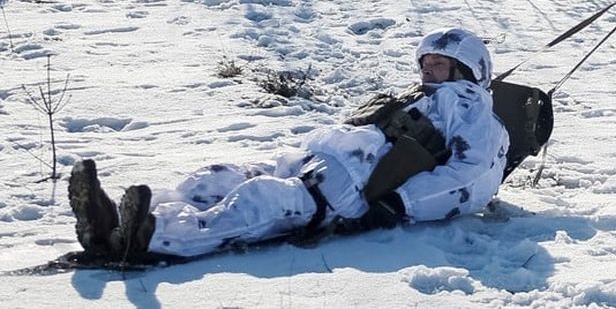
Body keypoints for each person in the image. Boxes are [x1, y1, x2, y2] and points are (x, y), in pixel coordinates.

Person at [67, 28, 510, 262]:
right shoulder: (419, 98)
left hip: (348, 191)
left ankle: (154, 237)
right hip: (311, 163)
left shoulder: (469, 105)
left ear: (469, 71)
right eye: (426, 62)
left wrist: (399, 204)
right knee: (216, 177)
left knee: (258, 201)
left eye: (441, 63)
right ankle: (123, 219)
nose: (429, 70)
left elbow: (472, 176)